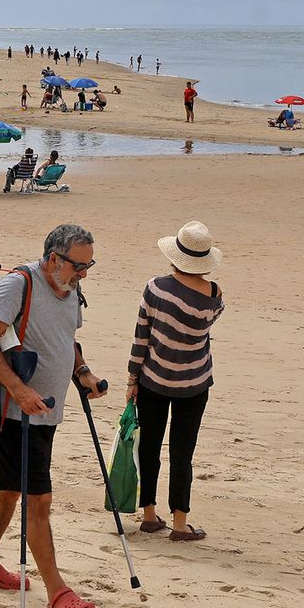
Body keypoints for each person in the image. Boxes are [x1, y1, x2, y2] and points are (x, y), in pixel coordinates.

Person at [0, 224, 104, 608]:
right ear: (54, 258)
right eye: (79, 265)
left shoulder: (70, 287)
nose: (85, 273)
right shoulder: (19, 284)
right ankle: (58, 592)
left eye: (89, 264)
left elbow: (67, 340)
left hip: (46, 410)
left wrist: (84, 373)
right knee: (38, 499)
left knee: (8, 488)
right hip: (14, 411)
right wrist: (19, 389)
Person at [128, 221, 226, 541]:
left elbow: (141, 336)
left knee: (150, 447)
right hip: (194, 382)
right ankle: (181, 524)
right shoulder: (213, 294)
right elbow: (209, 320)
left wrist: (132, 377)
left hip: (153, 379)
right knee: (183, 453)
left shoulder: (155, 288)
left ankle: (149, 515)